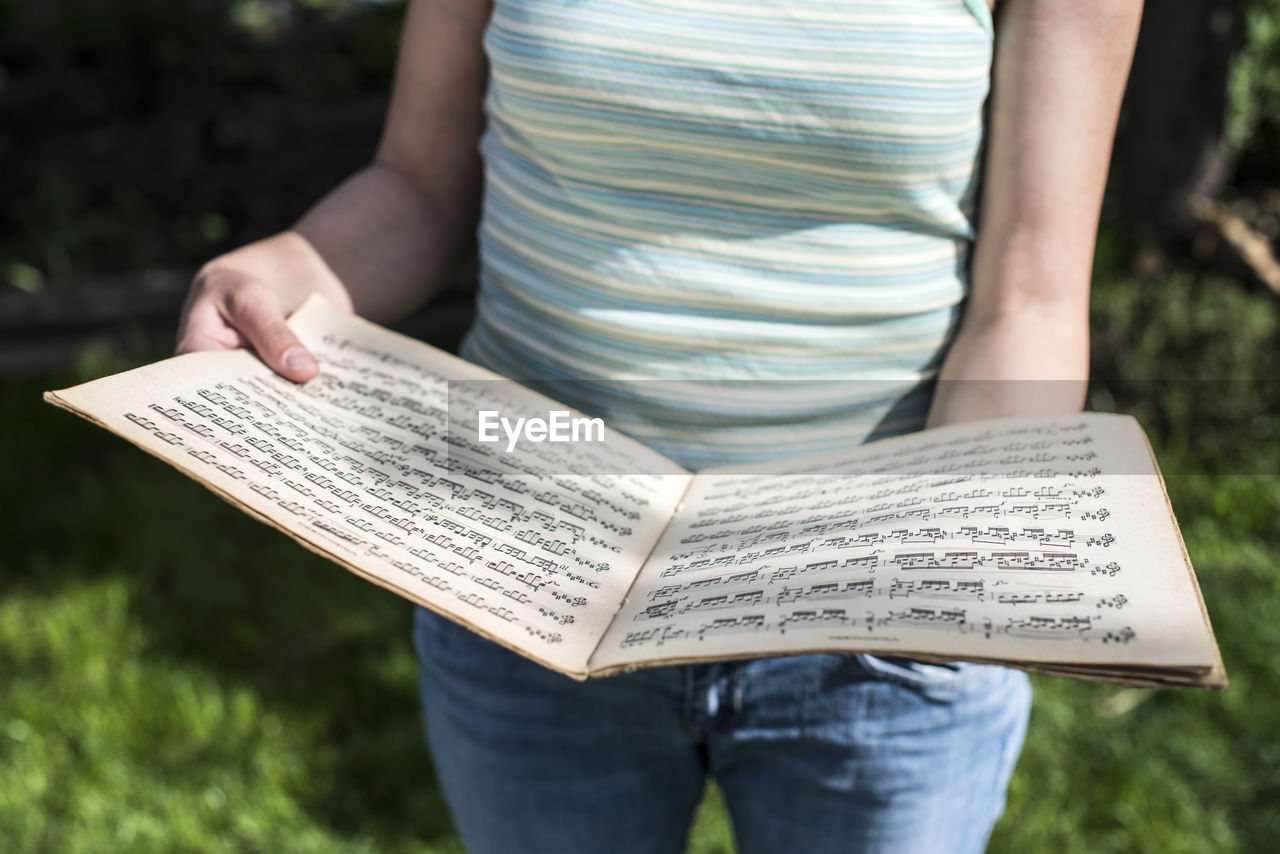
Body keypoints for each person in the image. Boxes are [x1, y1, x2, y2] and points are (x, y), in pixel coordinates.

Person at [177, 0, 1144, 850]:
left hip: (875, 616)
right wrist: (283, 270)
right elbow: (420, 187)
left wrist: (949, 580)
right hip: (524, 572)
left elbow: (1032, 289)